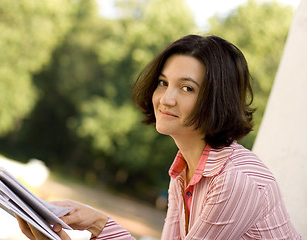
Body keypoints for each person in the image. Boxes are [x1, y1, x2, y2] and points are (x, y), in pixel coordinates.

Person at [16, 35, 302, 239]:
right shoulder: (184, 169)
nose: (166, 98)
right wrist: (94, 221)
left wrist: (99, 223)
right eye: (163, 83)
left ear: (217, 100)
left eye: (187, 88)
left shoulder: (237, 179)